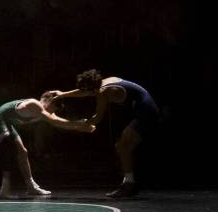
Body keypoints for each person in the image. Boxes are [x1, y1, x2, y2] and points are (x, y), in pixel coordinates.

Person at [53, 69, 158, 198]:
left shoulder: (103, 91)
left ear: (92, 88)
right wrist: (63, 94)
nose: (86, 93)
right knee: (125, 147)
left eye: (87, 90)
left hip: (146, 112)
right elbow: (84, 92)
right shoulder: (106, 81)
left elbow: (98, 117)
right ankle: (130, 181)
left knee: (122, 147)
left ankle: (129, 184)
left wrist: (81, 124)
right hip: (145, 108)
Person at [0, 91, 94, 198]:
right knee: (8, 144)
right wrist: (79, 124)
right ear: (49, 101)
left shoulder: (43, 112)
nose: (54, 111)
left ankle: (31, 187)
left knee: (23, 152)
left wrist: (81, 127)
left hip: (9, 123)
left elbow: (60, 123)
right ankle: (4, 190)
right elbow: (55, 121)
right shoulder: (34, 104)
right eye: (55, 107)